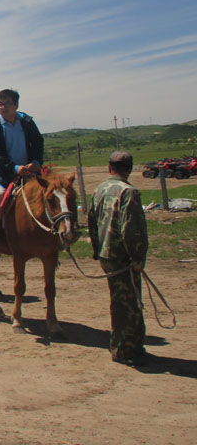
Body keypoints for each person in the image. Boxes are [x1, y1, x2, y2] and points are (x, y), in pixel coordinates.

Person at [88, 151, 149, 367]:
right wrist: (138, 257)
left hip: (106, 254)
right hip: (123, 256)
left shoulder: (99, 190)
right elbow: (132, 229)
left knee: (125, 300)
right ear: (130, 168)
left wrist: (97, 250)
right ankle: (123, 350)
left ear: (109, 167)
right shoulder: (129, 192)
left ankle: (134, 345)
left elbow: (92, 222)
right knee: (127, 303)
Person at [0, 89, 44, 250]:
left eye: (8, 103)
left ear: (16, 105)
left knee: (50, 192)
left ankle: (56, 231)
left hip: (29, 170)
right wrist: (15, 168)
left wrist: (36, 161)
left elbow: (38, 142)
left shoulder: (27, 122)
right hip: (2, 173)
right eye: (1, 104)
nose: (4, 107)